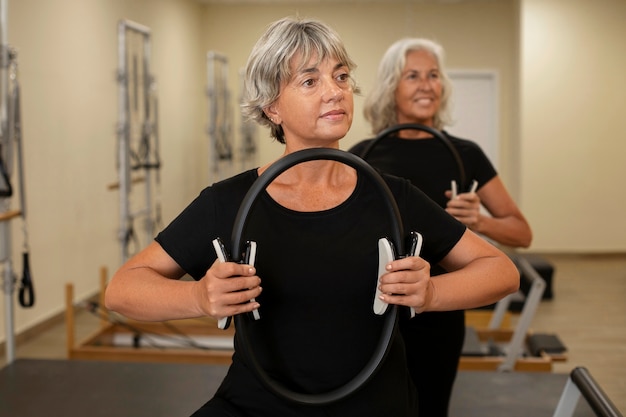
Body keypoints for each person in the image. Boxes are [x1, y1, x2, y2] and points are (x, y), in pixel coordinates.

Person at [105, 18, 519, 417]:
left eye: (340, 77)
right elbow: (122, 290)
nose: (335, 92)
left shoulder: (394, 196)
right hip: (258, 403)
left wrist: (431, 294)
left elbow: (500, 271)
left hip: (373, 405)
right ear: (272, 108)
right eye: (309, 81)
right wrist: (196, 298)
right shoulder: (228, 202)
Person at [349, 37, 533, 417]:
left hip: (441, 309)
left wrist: (478, 220)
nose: (426, 85)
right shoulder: (362, 156)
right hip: (372, 310)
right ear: (390, 87)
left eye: (433, 75)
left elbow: (522, 233)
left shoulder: (465, 155)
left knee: (431, 406)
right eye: (412, 76)